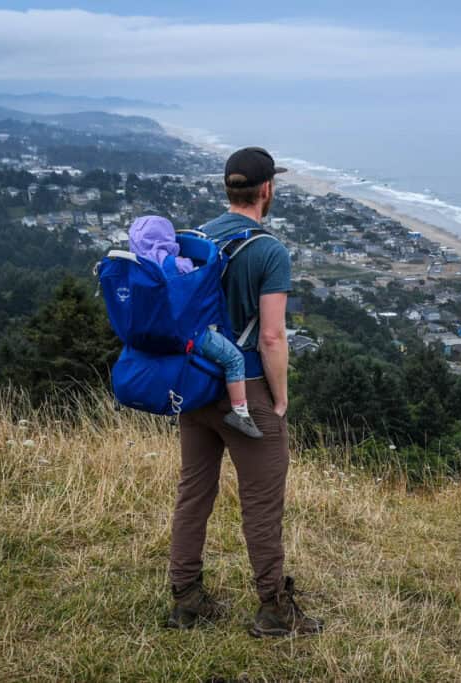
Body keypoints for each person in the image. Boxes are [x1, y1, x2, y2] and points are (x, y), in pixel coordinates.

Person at [166, 147, 322, 637]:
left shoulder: (197, 238)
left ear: (227, 188)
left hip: (196, 386)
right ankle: (275, 609)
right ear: (267, 190)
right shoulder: (268, 250)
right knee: (261, 502)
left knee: (194, 493)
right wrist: (279, 400)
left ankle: (186, 598)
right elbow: (272, 337)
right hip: (247, 390)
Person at [128, 215, 262, 439]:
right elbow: (195, 279)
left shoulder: (133, 268)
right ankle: (239, 411)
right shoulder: (176, 265)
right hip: (186, 332)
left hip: (149, 331)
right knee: (234, 359)